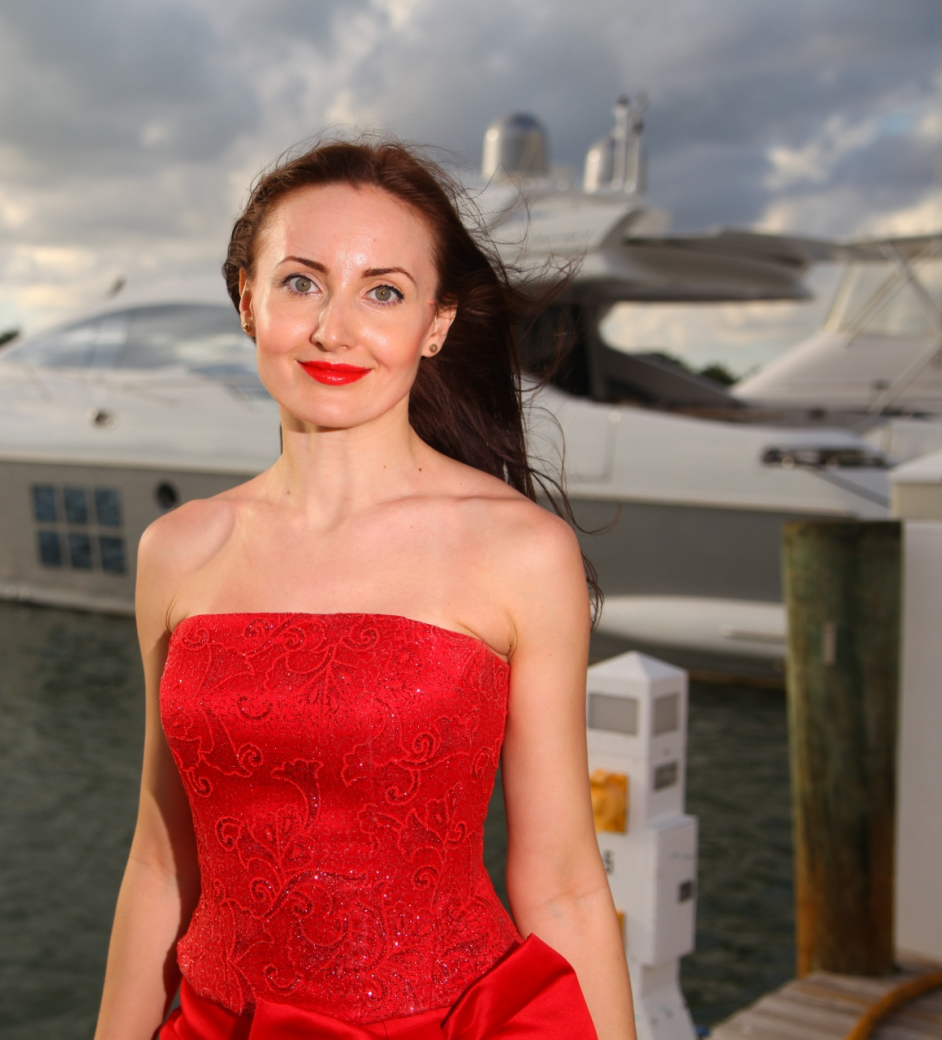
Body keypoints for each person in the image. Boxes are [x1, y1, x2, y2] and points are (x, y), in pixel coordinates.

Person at [95, 138, 634, 1040]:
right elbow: (160, 865)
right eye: (301, 282)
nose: (334, 329)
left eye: (382, 290)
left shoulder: (520, 551)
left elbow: (566, 883)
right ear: (247, 301)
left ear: (435, 322)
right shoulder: (178, 552)